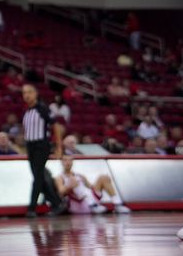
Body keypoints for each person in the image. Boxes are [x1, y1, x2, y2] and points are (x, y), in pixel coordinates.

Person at [21, 84, 68, 218]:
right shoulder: (26, 111)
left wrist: (59, 147)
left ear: (36, 93)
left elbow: (56, 126)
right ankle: (57, 203)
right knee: (39, 177)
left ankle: (32, 207)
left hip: (41, 145)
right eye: (24, 93)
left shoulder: (42, 108)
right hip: (30, 146)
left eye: (29, 92)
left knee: (38, 177)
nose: (27, 95)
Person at [55, 156, 131, 214]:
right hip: (77, 204)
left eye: (70, 160)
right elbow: (60, 192)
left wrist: (105, 182)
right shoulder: (59, 177)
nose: (68, 162)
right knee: (73, 180)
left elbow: (90, 187)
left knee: (103, 177)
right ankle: (92, 205)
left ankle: (118, 204)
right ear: (61, 163)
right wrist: (69, 185)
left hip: (89, 199)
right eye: (65, 160)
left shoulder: (80, 175)